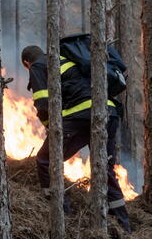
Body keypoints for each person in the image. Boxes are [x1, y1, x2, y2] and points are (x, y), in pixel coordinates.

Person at [21, 45, 131, 232]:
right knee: (104, 168)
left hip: (82, 115)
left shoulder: (38, 65)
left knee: (46, 159)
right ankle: (123, 224)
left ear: (26, 63)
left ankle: (61, 212)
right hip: (109, 113)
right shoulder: (67, 60)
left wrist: (51, 129)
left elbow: (43, 103)